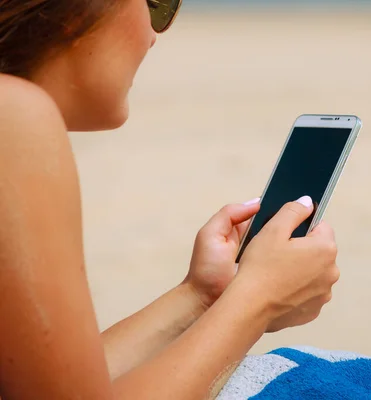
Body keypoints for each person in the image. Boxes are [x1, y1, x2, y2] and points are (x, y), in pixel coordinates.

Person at [0, 1, 340, 398]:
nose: (155, 34)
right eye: (156, 4)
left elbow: (55, 388)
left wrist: (201, 295)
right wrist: (260, 298)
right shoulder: (13, 116)